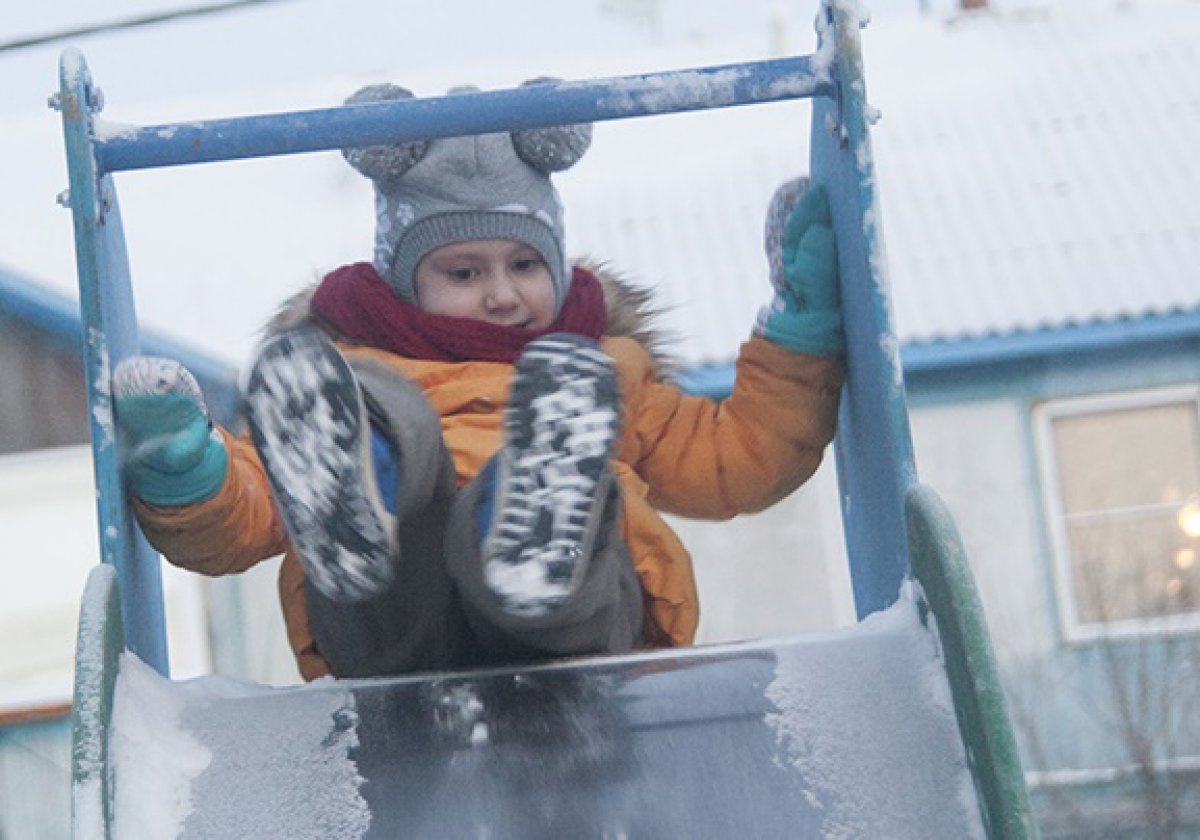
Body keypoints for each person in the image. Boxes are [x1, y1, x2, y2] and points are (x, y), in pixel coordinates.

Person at [113, 81, 846, 682]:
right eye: (464, 273)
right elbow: (245, 512)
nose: (501, 294)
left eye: (524, 266)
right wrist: (188, 466)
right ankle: (365, 487)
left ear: (556, 267)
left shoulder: (607, 374)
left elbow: (737, 460)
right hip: (397, 641)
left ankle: (537, 506)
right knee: (386, 418)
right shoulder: (345, 378)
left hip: (581, 638)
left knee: (571, 531)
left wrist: (799, 333)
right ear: (407, 281)